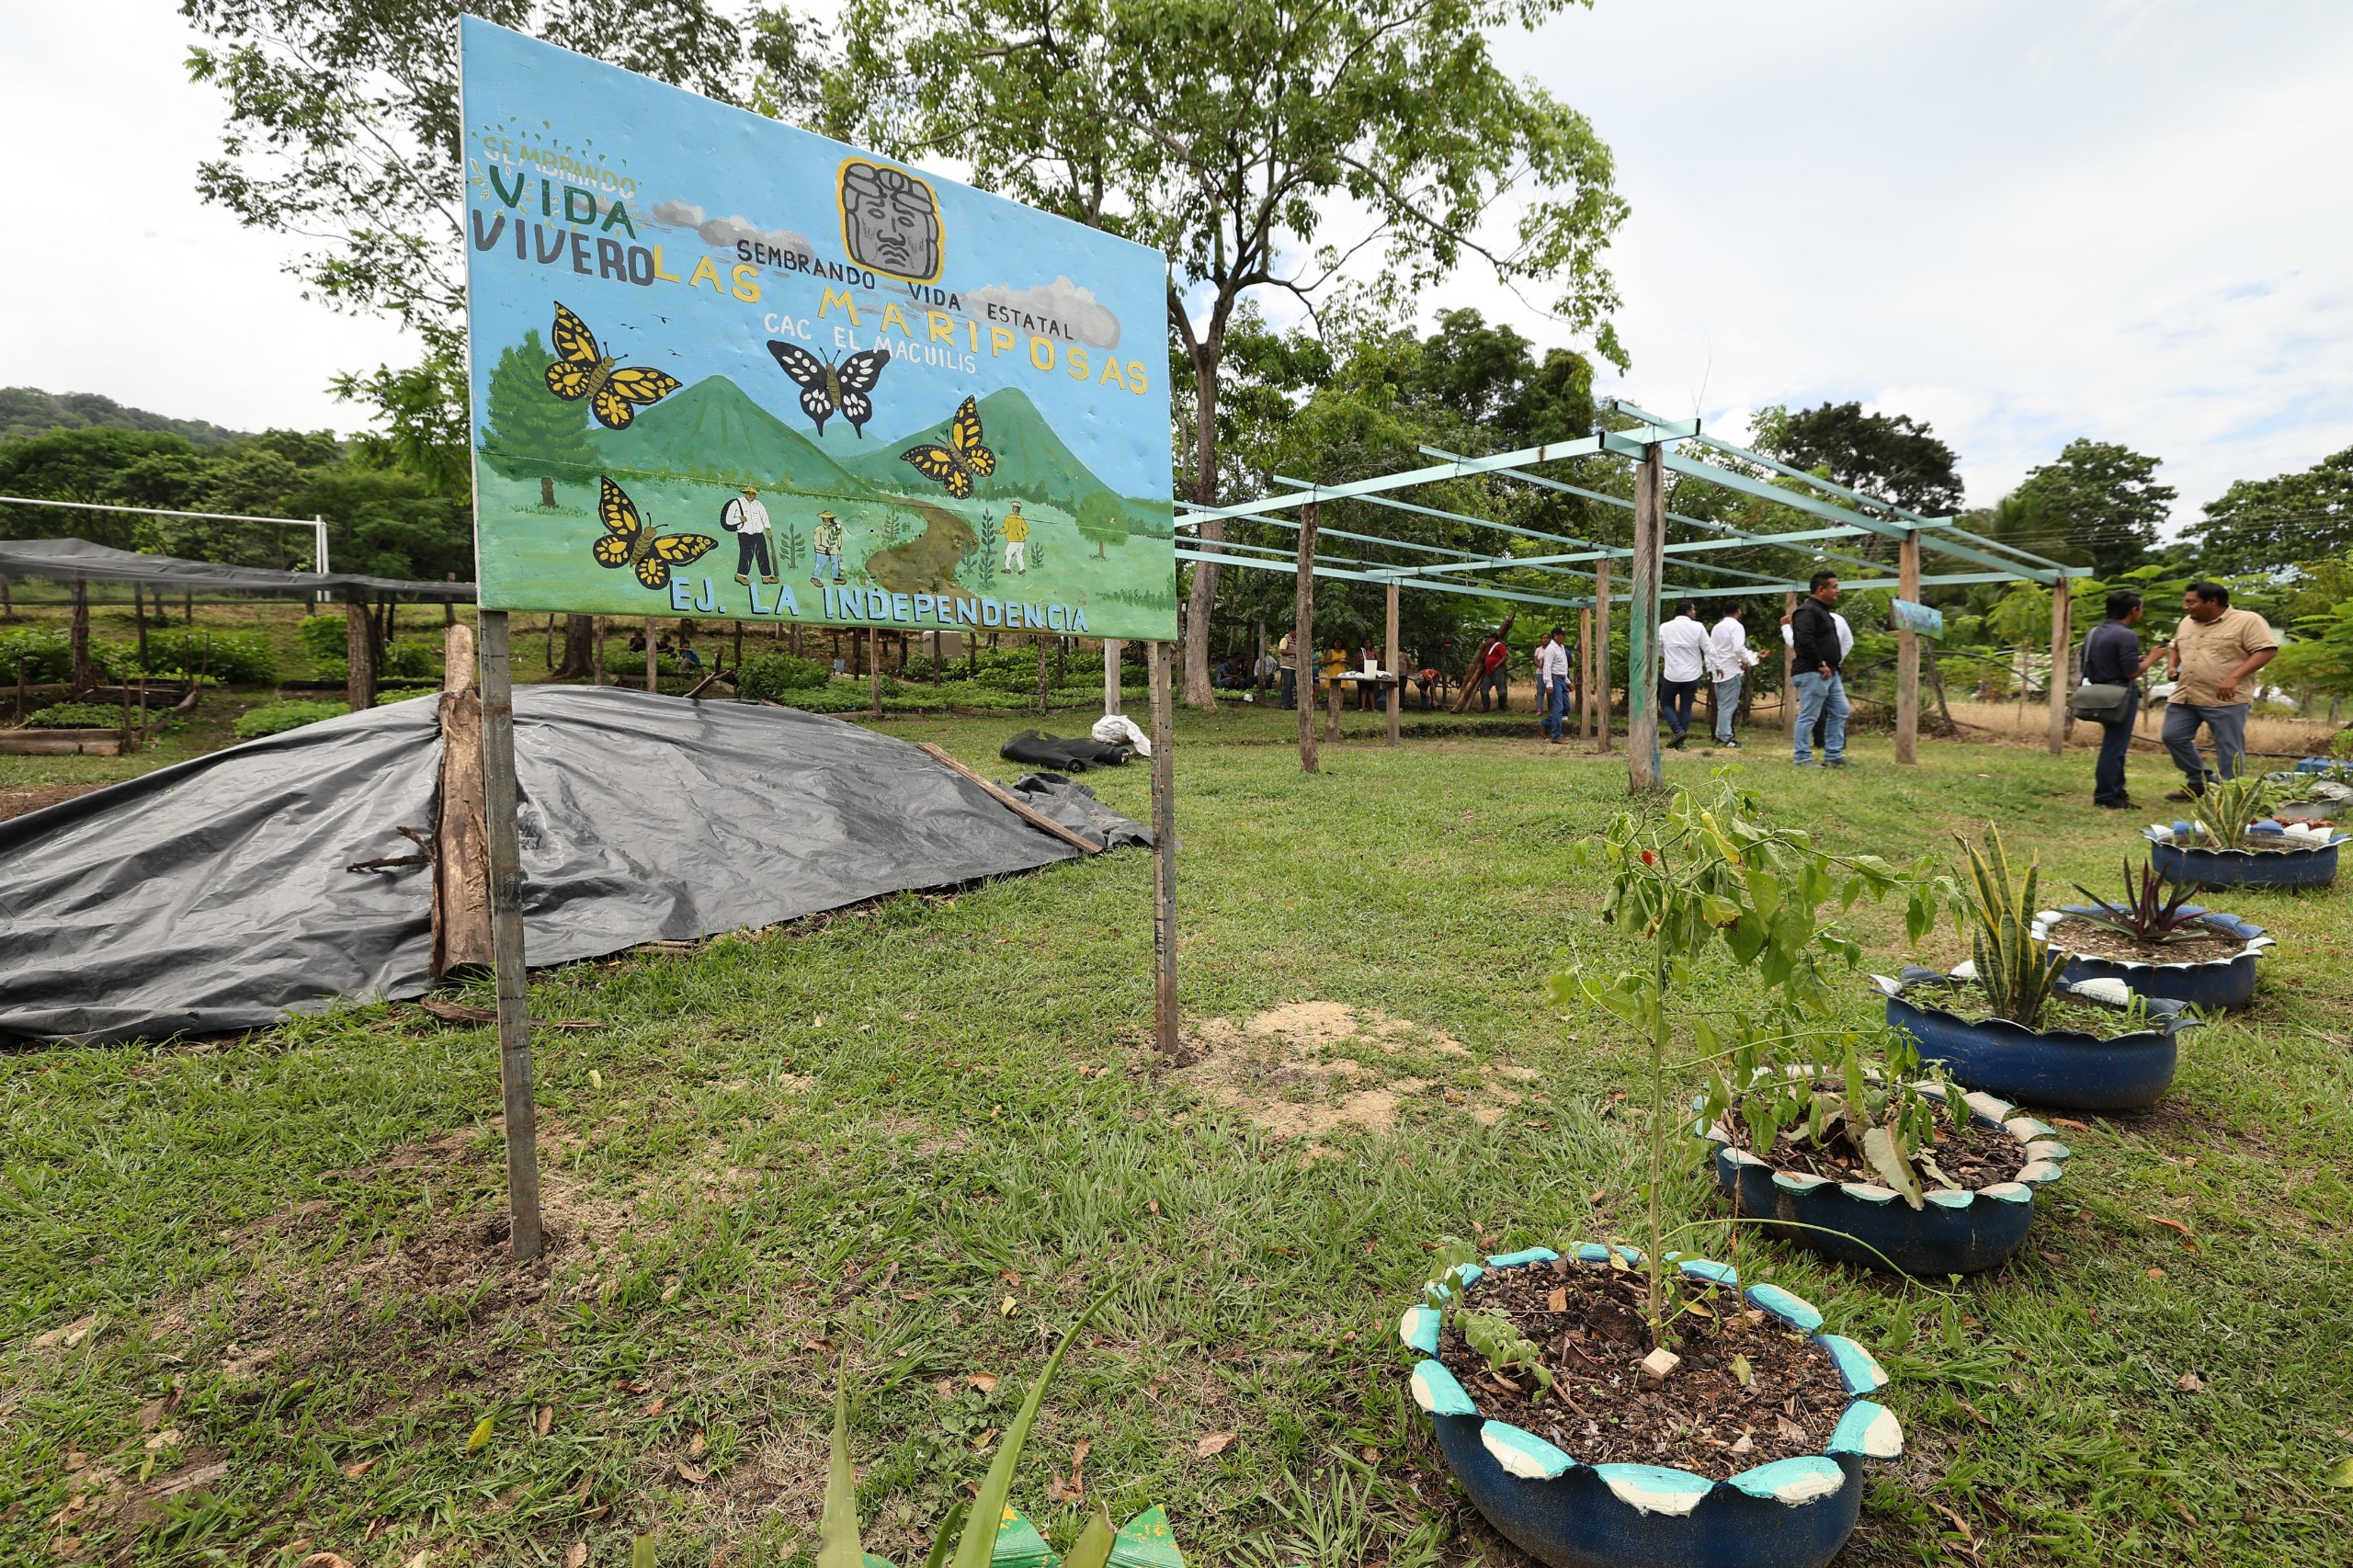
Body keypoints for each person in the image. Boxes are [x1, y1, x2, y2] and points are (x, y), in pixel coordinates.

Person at [2162, 581, 2279, 799]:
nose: (2185, 607)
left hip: (2226, 698)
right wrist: (2172, 666)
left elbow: (2267, 650)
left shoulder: (2247, 621)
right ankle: (2201, 781)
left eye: (2191, 602)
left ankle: (2230, 795)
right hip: (2186, 694)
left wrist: (2234, 676)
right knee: (2172, 736)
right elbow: (2175, 646)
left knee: (2229, 749)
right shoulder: (2187, 622)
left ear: (2212, 601)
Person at [2082, 589, 2159, 810]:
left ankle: (2117, 789)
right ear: (2134, 610)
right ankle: (2106, 795)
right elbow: (2131, 672)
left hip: (2098, 693)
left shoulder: (2094, 632)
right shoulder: (2127, 635)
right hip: (2120, 696)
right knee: (2115, 747)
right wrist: (2153, 657)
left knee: (2112, 744)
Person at [1788, 572, 1850, 767]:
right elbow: (1803, 640)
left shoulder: (1823, 612)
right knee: (1810, 715)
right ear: (1821, 589)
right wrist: (1819, 663)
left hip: (1830, 671)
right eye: (1834, 586)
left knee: (1840, 710)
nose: (1838, 591)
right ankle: (1802, 757)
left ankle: (1833, 755)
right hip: (1813, 671)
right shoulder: (1806, 611)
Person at [1780, 599, 1854, 752]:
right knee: (1813, 713)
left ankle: (1833, 751)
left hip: (1825, 669)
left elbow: (1795, 642)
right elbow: (1804, 641)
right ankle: (1803, 754)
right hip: (1818, 669)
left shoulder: (1823, 618)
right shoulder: (1811, 616)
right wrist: (1830, 662)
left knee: (1835, 710)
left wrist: (1785, 627)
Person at [1656, 599, 1711, 749]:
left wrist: (1668, 656)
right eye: (1693, 609)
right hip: (1692, 674)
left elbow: (1659, 648)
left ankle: (1677, 731)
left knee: (1666, 703)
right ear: (1687, 611)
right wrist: (1716, 666)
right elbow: (1708, 648)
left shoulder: (1665, 627)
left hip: (1672, 673)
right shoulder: (1698, 627)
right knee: (1686, 706)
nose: (1695, 612)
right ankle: (1681, 740)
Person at [1706, 606, 1757, 747]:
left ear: (1724, 612)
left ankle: (1719, 734)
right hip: (1731, 669)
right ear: (1739, 611)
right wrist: (1747, 661)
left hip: (1718, 669)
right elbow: (1738, 648)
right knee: (1728, 706)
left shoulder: (1717, 627)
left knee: (1721, 705)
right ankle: (1725, 736)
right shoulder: (1737, 627)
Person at [722, 484, 777, 585]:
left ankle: (766, 576)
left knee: (762, 554)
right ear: (745, 493)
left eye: (753, 494)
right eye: (748, 493)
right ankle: (740, 575)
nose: (750, 495)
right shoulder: (737, 503)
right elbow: (728, 520)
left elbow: (764, 516)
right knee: (746, 554)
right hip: (744, 533)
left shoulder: (758, 504)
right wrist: (739, 519)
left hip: (758, 533)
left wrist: (768, 529)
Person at [1536, 625, 1571, 744]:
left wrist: (1568, 681)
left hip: (1562, 679)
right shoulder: (1551, 649)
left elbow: (1561, 666)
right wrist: (1549, 684)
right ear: (1556, 636)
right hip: (1555, 680)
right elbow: (1547, 666)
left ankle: (1544, 723)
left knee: (1566, 707)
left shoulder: (1561, 647)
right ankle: (1556, 735)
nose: (1564, 638)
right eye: (1562, 636)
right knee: (1558, 708)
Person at [1472, 627, 1511, 711]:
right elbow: (1483, 658)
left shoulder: (1499, 645)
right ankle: (1486, 708)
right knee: (1484, 688)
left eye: (1488, 638)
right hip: (1489, 672)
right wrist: (1482, 649)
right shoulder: (1489, 648)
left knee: (1500, 687)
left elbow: (1504, 656)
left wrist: (1497, 665)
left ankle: (1502, 708)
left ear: (1493, 638)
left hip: (1498, 670)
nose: (1487, 640)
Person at [811, 510, 846, 584]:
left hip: (833, 550)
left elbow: (839, 538)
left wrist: (838, 547)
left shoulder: (835, 528)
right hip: (822, 551)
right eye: (825, 519)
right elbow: (817, 542)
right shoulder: (819, 529)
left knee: (835, 564)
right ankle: (815, 578)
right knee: (820, 564)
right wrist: (824, 548)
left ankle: (836, 578)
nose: (827, 521)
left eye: (829, 519)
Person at [1003, 501, 1031, 574]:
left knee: (1008, 553)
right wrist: (1020, 535)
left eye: (1014, 507)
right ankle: (1022, 569)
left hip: (1013, 541)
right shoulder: (1021, 518)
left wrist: (999, 531)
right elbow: (1027, 530)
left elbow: (1005, 529)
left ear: (1013, 509)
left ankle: (1007, 568)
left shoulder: (1008, 517)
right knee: (1019, 555)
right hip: (1021, 542)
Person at [1278, 630, 1298, 709]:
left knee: (1291, 686)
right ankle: (1283, 704)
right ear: (1291, 631)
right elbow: (1282, 650)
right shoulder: (1285, 639)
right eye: (1296, 631)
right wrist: (1294, 653)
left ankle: (1290, 704)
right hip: (1286, 665)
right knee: (1286, 685)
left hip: (1293, 665)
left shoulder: (1294, 641)